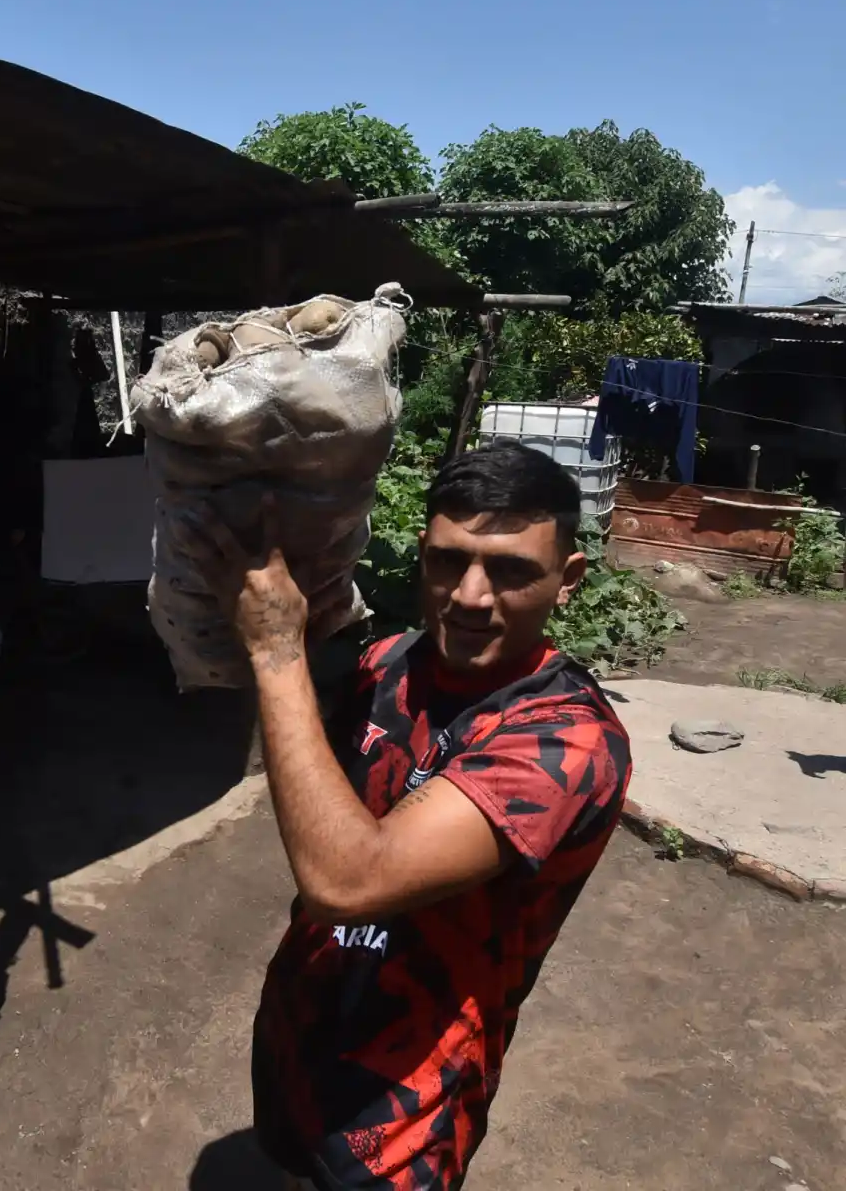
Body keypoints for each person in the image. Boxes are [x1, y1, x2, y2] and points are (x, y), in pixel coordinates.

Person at [196, 441, 633, 1191]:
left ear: (569, 582)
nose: (468, 595)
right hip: (304, 1018)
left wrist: (276, 650)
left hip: (410, 1091)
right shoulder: (389, 661)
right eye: (445, 561)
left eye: (510, 571)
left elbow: (348, 877)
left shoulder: (566, 740)